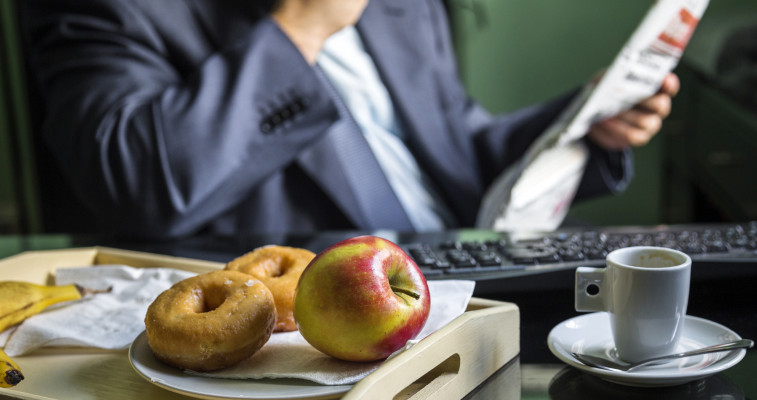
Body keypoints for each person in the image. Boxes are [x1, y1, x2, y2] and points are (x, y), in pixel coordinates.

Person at [19, 0, 678, 239]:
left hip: (477, 270)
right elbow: (138, 185)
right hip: (319, 329)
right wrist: (301, 28)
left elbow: (457, 148)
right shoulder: (106, 8)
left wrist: (583, 123)